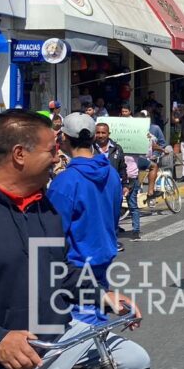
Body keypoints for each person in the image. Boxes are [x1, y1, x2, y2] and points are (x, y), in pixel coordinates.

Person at [0, 110, 147, 369]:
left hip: (56, 343)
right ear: (20, 154)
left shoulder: (42, 205)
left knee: (133, 361)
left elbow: (59, 271)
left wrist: (101, 295)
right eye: (51, 150)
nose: (59, 158)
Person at [47, 113, 124, 311]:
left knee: (82, 333)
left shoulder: (64, 183)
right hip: (103, 262)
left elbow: (52, 237)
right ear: (93, 138)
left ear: (63, 138)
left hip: (74, 273)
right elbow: (114, 217)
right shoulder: (112, 175)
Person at [91, 122, 129, 247]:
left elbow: (122, 168)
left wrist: (125, 185)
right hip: (96, 188)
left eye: (103, 133)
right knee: (98, 215)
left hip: (114, 188)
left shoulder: (117, 148)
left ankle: (112, 241)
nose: (100, 135)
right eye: (98, 132)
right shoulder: (90, 149)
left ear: (108, 134)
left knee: (113, 215)